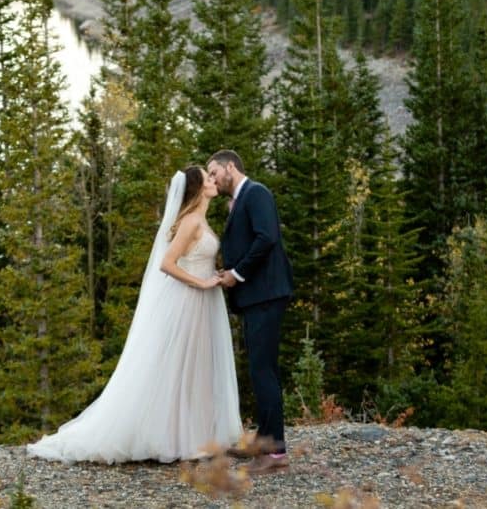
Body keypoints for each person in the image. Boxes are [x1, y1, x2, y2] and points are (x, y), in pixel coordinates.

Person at [27, 166, 241, 463]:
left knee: (198, 369)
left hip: (203, 303)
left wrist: (212, 274)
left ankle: (197, 435)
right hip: (189, 304)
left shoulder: (199, 219)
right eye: (208, 178)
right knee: (182, 368)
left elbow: (195, 259)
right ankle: (180, 438)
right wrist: (202, 281)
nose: (213, 180)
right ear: (197, 188)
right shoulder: (191, 221)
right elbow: (167, 264)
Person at [207, 149, 294, 475]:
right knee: (260, 370)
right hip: (258, 297)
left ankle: (274, 454)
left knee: (264, 372)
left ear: (231, 167)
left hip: (266, 295)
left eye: (214, 172)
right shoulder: (241, 199)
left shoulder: (256, 193)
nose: (213, 179)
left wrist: (236, 274)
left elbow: (267, 237)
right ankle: (264, 441)